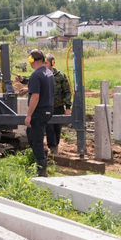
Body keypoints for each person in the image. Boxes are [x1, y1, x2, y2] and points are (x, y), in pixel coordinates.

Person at [24, 49, 54, 177]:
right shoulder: (49, 73)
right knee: (31, 133)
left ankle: (42, 171)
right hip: (49, 110)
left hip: (39, 111)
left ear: (33, 60)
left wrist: (29, 115)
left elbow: (35, 97)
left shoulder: (36, 75)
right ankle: (44, 154)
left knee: (35, 140)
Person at [44, 53, 72, 155]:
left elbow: (67, 92)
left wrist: (68, 107)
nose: (44, 65)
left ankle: (55, 146)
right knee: (49, 128)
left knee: (57, 128)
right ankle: (53, 148)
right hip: (47, 107)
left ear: (52, 63)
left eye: (46, 62)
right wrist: (23, 80)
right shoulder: (43, 75)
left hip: (58, 107)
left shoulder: (60, 76)